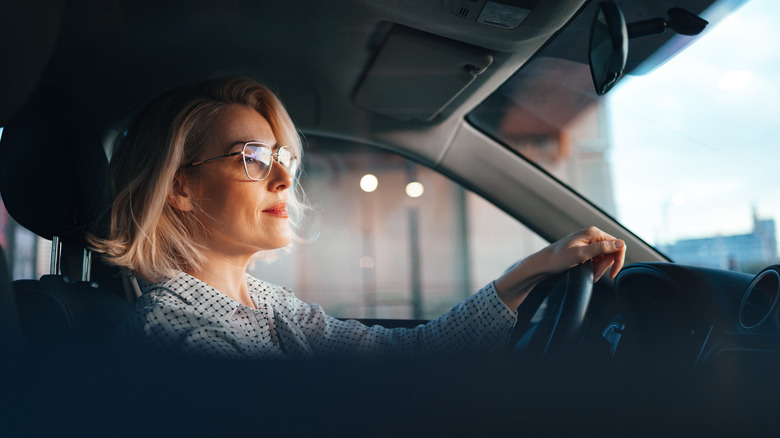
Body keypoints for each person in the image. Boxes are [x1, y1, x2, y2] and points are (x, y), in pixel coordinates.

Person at [91, 77, 626, 359]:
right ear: (179, 187)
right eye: (252, 157)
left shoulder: (270, 306)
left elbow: (410, 354)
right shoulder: (175, 334)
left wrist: (535, 269)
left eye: (283, 159)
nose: (282, 179)